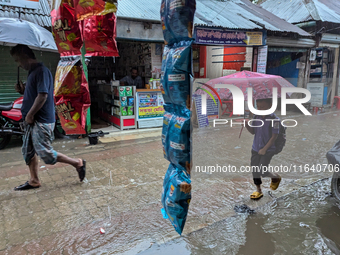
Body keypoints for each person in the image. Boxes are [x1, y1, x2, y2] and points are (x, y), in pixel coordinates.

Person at [10, 44, 86, 191]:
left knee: (46, 153)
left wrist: (31, 115)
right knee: (28, 151)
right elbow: (34, 93)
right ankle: (34, 180)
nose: (18, 64)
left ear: (25, 57)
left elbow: (43, 95)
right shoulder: (32, 72)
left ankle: (78, 163)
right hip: (32, 121)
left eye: (18, 60)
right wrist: (23, 91)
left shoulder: (41, 71)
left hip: (40, 120)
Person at [245, 98, 281, 200]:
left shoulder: (275, 119)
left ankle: (275, 177)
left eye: (262, 107)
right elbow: (253, 132)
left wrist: (264, 149)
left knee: (262, 170)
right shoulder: (256, 117)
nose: (260, 109)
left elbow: (274, 136)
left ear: (270, 106)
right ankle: (258, 190)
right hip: (256, 148)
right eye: (258, 107)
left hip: (268, 149)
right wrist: (246, 125)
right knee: (255, 170)